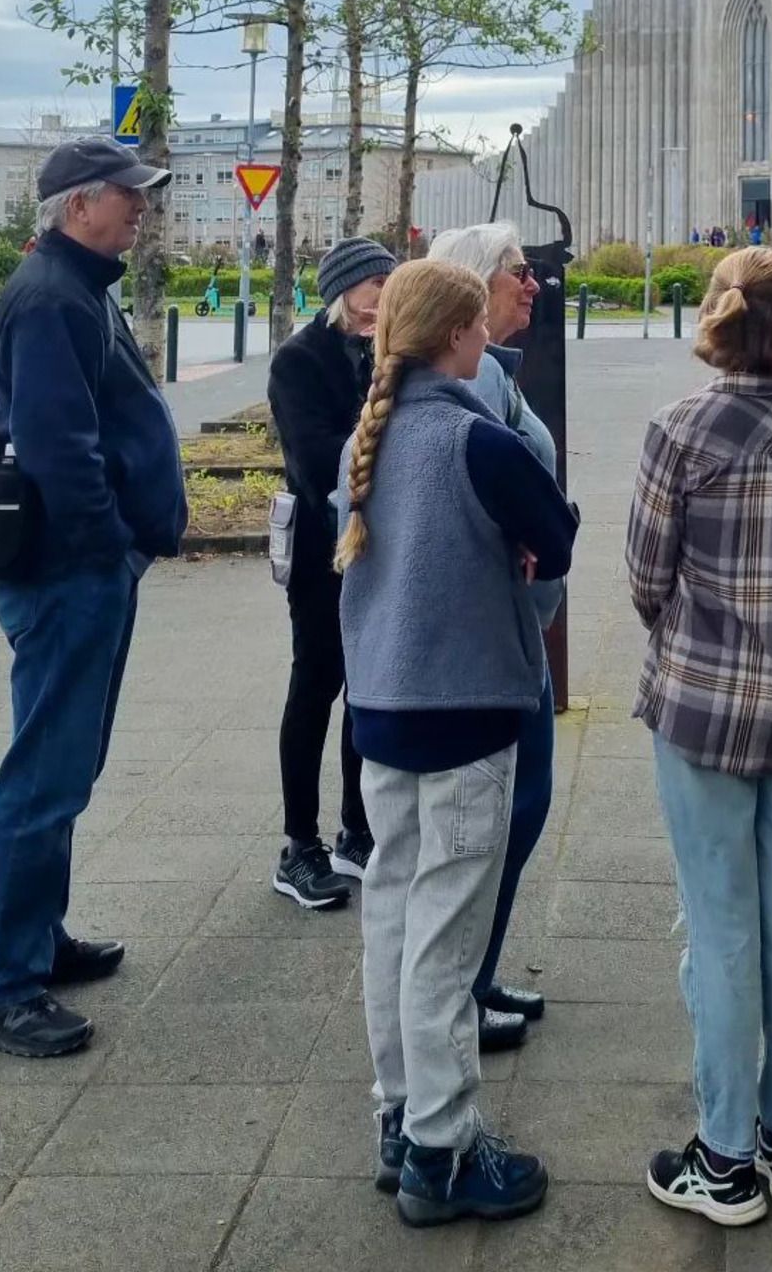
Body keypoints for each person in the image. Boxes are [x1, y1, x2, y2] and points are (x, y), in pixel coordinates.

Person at [336, 259, 577, 1227]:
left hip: (382, 705)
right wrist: (520, 549)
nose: (488, 340)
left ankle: (399, 1117)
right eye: (477, 325)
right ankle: (442, 1149)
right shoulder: (477, 439)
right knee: (447, 933)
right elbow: (556, 535)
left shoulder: (368, 437)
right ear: (452, 336)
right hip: (468, 706)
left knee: (393, 914)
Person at [627, 248, 772, 1224]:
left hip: (705, 704)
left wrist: (694, 631)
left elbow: (647, 576)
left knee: (720, 927)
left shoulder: (678, 429)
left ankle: (722, 1159)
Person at [0, 137, 186, 1060]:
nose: (141, 207)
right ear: (79, 204)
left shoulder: (75, 286)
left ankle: (36, 941)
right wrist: (111, 548)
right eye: (128, 194)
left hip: (79, 569)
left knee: (64, 767)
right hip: (68, 573)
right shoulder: (52, 298)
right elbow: (59, 449)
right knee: (45, 777)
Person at [427, 223, 563, 1053]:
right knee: (505, 813)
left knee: (518, 810)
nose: (534, 283)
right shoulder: (473, 379)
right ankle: (462, 989)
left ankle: (475, 974)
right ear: (476, 284)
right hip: (497, 635)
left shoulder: (492, 371)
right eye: (520, 271)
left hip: (515, 626)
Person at [265, 234, 394, 914]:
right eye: (377, 286)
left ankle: (357, 830)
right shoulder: (299, 360)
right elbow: (315, 461)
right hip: (321, 546)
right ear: (346, 291)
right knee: (316, 683)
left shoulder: (388, 352)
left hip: (375, 542)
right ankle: (299, 845)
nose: (386, 298)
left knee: (365, 686)